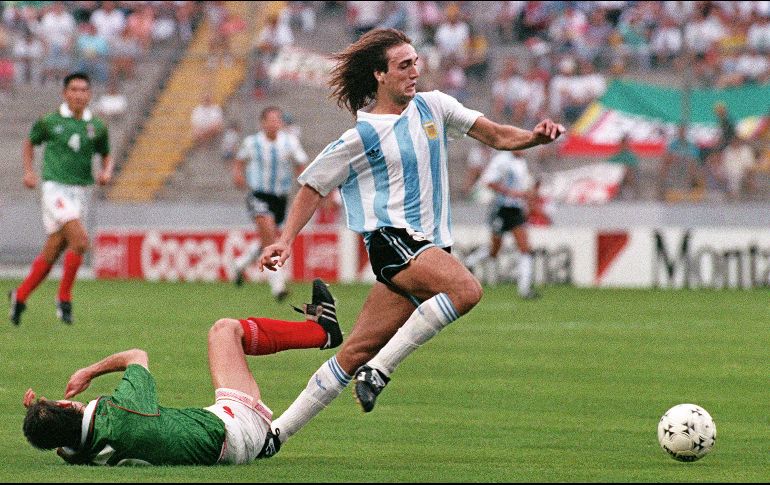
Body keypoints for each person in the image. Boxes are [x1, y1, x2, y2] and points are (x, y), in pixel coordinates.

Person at [256, 28, 564, 454]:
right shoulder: (361, 136)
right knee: (466, 290)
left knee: (353, 352)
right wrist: (285, 239)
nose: (415, 71)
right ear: (380, 74)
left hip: (426, 247)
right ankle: (379, 372)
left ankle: (275, 435)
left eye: (416, 62)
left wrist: (533, 138)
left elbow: (495, 135)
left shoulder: (434, 106)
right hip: (391, 240)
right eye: (404, 65)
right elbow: (312, 186)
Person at [21, 280, 342, 466]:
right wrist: (89, 372)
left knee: (225, 413)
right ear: (65, 405)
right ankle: (323, 333)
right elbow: (137, 355)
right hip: (234, 430)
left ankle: (270, 440)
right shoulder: (116, 411)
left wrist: (42, 420)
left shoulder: (84, 454)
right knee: (223, 331)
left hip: (226, 450)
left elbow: (62, 443)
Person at [9, 72, 112, 326]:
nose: (78, 94)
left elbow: (106, 153)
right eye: (73, 90)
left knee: (55, 248)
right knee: (80, 240)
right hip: (55, 189)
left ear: (89, 94)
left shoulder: (97, 126)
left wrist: (106, 171)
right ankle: (64, 298)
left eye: (83, 90)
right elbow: (29, 143)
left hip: (80, 192)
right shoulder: (50, 121)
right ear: (65, 93)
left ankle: (20, 296)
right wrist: (29, 171)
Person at [231, 106, 308, 301]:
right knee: (271, 240)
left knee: (269, 239)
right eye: (271, 120)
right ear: (263, 123)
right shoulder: (252, 142)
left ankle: (240, 264)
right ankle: (278, 286)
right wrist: (238, 175)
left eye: (278, 120)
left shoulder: (289, 142)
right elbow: (239, 161)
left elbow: (301, 163)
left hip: (280, 199)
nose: (274, 123)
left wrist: (305, 184)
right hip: (258, 196)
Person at [464, 150, 539, 298]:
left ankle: (525, 290)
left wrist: (527, 199)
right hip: (501, 208)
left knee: (525, 248)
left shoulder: (521, 162)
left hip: (516, 209)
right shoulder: (502, 159)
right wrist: (511, 193)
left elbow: (523, 189)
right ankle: (470, 261)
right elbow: (489, 182)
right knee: (494, 251)